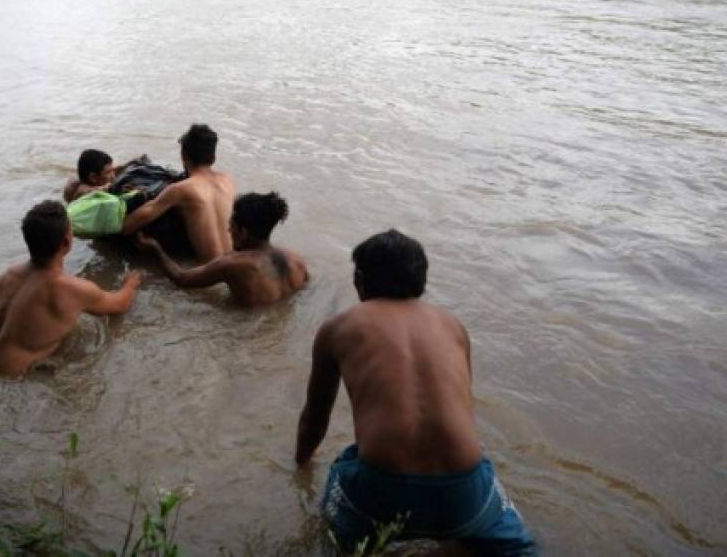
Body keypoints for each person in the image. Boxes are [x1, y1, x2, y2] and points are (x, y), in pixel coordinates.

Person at [295, 230, 535, 555]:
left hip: (380, 494)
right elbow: (462, 409)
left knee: (342, 496)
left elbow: (315, 418)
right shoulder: (452, 326)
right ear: (421, 280)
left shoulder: (338, 327)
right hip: (463, 492)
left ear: (359, 281)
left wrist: (301, 465)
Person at [0, 200, 143, 380]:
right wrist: (132, 281)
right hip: (4, 385)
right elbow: (121, 304)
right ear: (66, 242)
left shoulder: (8, 276)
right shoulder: (70, 289)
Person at [136, 192, 308, 307]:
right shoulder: (296, 260)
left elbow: (182, 279)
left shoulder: (235, 264)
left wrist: (155, 249)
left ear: (243, 232)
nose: (228, 231)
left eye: (231, 226)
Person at [121, 124, 236, 264]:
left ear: (184, 156)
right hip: (235, 266)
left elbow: (128, 226)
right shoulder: (228, 181)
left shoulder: (180, 189)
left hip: (207, 275)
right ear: (213, 157)